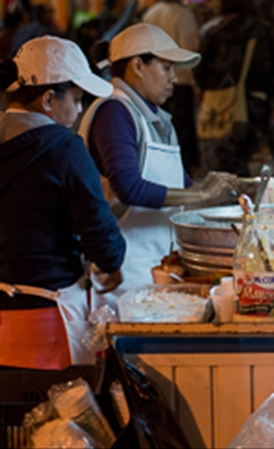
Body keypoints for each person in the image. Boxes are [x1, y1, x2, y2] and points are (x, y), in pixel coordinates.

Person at [0, 36, 125, 369]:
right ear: (48, 99)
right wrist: (111, 264)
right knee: (59, 418)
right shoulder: (66, 149)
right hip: (46, 322)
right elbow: (100, 232)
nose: (80, 108)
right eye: (77, 98)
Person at [80, 24, 238, 300]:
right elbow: (128, 187)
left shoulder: (156, 119)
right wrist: (201, 194)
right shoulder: (114, 112)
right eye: (166, 68)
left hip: (157, 267)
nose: (174, 78)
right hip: (122, 275)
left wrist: (223, 192)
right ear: (138, 66)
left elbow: (179, 185)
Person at [195, 0, 274, 175]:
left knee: (222, 160)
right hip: (255, 106)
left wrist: (210, 88)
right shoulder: (262, 31)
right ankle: (249, 200)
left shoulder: (212, 31)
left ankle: (226, 198)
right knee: (253, 161)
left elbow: (199, 70)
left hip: (218, 107)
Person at [142, 0, 202, 171]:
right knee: (181, 128)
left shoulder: (151, 13)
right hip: (180, 81)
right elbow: (190, 47)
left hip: (150, 80)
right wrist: (195, 82)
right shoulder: (184, 15)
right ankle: (180, 169)